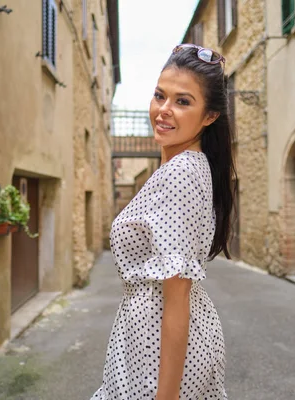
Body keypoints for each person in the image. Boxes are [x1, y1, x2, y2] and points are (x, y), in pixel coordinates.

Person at [91, 44, 237, 400]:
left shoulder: (182, 174)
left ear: (210, 116)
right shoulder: (184, 165)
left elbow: (177, 294)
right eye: (160, 95)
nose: (163, 110)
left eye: (183, 101)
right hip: (151, 341)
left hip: (157, 349)